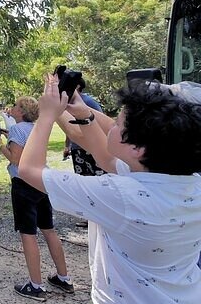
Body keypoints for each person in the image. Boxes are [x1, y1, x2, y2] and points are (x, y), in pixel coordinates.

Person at [19, 75, 201, 303]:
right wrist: (84, 114)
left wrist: (46, 115)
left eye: (116, 124)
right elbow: (107, 160)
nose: (111, 126)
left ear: (136, 148)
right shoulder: (189, 182)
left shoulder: (121, 195)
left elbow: (29, 169)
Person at [0, 96, 74, 301]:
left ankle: (35, 285)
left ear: (22, 111)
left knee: (28, 234)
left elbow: (15, 159)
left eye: (17, 106)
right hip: (42, 182)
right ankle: (64, 278)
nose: (13, 108)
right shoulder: (37, 128)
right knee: (49, 230)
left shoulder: (18, 130)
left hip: (23, 184)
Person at [60, 79, 104, 228]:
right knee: (83, 182)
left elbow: (100, 124)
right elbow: (70, 126)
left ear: (78, 86)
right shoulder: (69, 105)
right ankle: (89, 217)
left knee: (97, 181)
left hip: (90, 148)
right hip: (77, 149)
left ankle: (101, 214)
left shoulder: (88, 102)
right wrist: (67, 145)